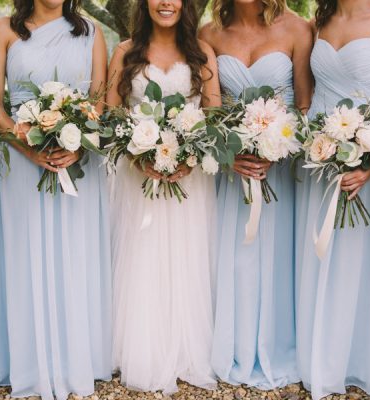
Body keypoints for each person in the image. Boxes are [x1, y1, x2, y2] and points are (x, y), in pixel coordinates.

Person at [0, 0, 111, 397]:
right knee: (24, 253)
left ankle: (76, 358)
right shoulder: (3, 29)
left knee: (74, 252)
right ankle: (29, 359)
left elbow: (99, 101)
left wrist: (77, 144)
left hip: (76, 163)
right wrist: (29, 146)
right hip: (21, 163)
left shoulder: (90, 32)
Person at [293, 1, 370, 398]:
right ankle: (315, 353)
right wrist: (315, 143)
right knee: (318, 255)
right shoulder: (317, 21)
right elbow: (307, 96)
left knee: (357, 261)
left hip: (367, 164)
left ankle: (354, 361)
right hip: (319, 159)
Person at [106, 0, 221, 393]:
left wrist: (192, 154)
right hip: (138, 177)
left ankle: (186, 349)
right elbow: (111, 114)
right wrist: (140, 158)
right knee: (143, 257)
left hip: (190, 180)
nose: (166, 2)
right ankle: (142, 350)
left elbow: (214, 112)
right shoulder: (125, 51)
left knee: (186, 257)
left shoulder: (201, 53)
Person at [199, 0, 313, 389]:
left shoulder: (297, 29)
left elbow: (304, 104)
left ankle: (276, 344)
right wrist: (228, 156)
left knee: (276, 254)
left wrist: (277, 148)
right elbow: (209, 110)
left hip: (280, 169)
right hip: (232, 171)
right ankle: (233, 342)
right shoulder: (208, 34)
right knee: (235, 257)